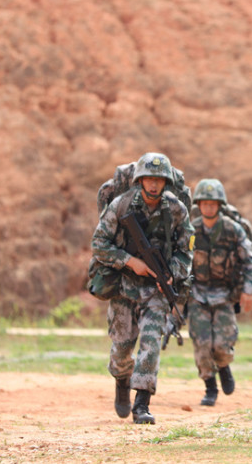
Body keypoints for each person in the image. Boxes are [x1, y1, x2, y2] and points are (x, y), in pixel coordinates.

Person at [89, 152, 193, 425]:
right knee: (122, 347)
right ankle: (122, 380)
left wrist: (173, 274)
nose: (154, 184)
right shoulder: (121, 205)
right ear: (139, 179)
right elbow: (99, 244)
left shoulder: (176, 209)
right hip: (124, 285)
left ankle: (142, 404)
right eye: (149, 178)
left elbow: (186, 250)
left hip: (156, 290)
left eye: (159, 179)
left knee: (151, 342)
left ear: (166, 182)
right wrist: (130, 261)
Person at [187, 179, 252, 406]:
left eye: (213, 204)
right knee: (201, 342)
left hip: (224, 294)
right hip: (197, 294)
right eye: (205, 203)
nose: (209, 208)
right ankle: (210, 387)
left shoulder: (232, 229)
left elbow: (249, 260)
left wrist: (248, 290)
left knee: (222, 342)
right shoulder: (191, 231)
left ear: (220, 205)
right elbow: (180, 260)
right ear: (198, 205)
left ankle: (224, 365)